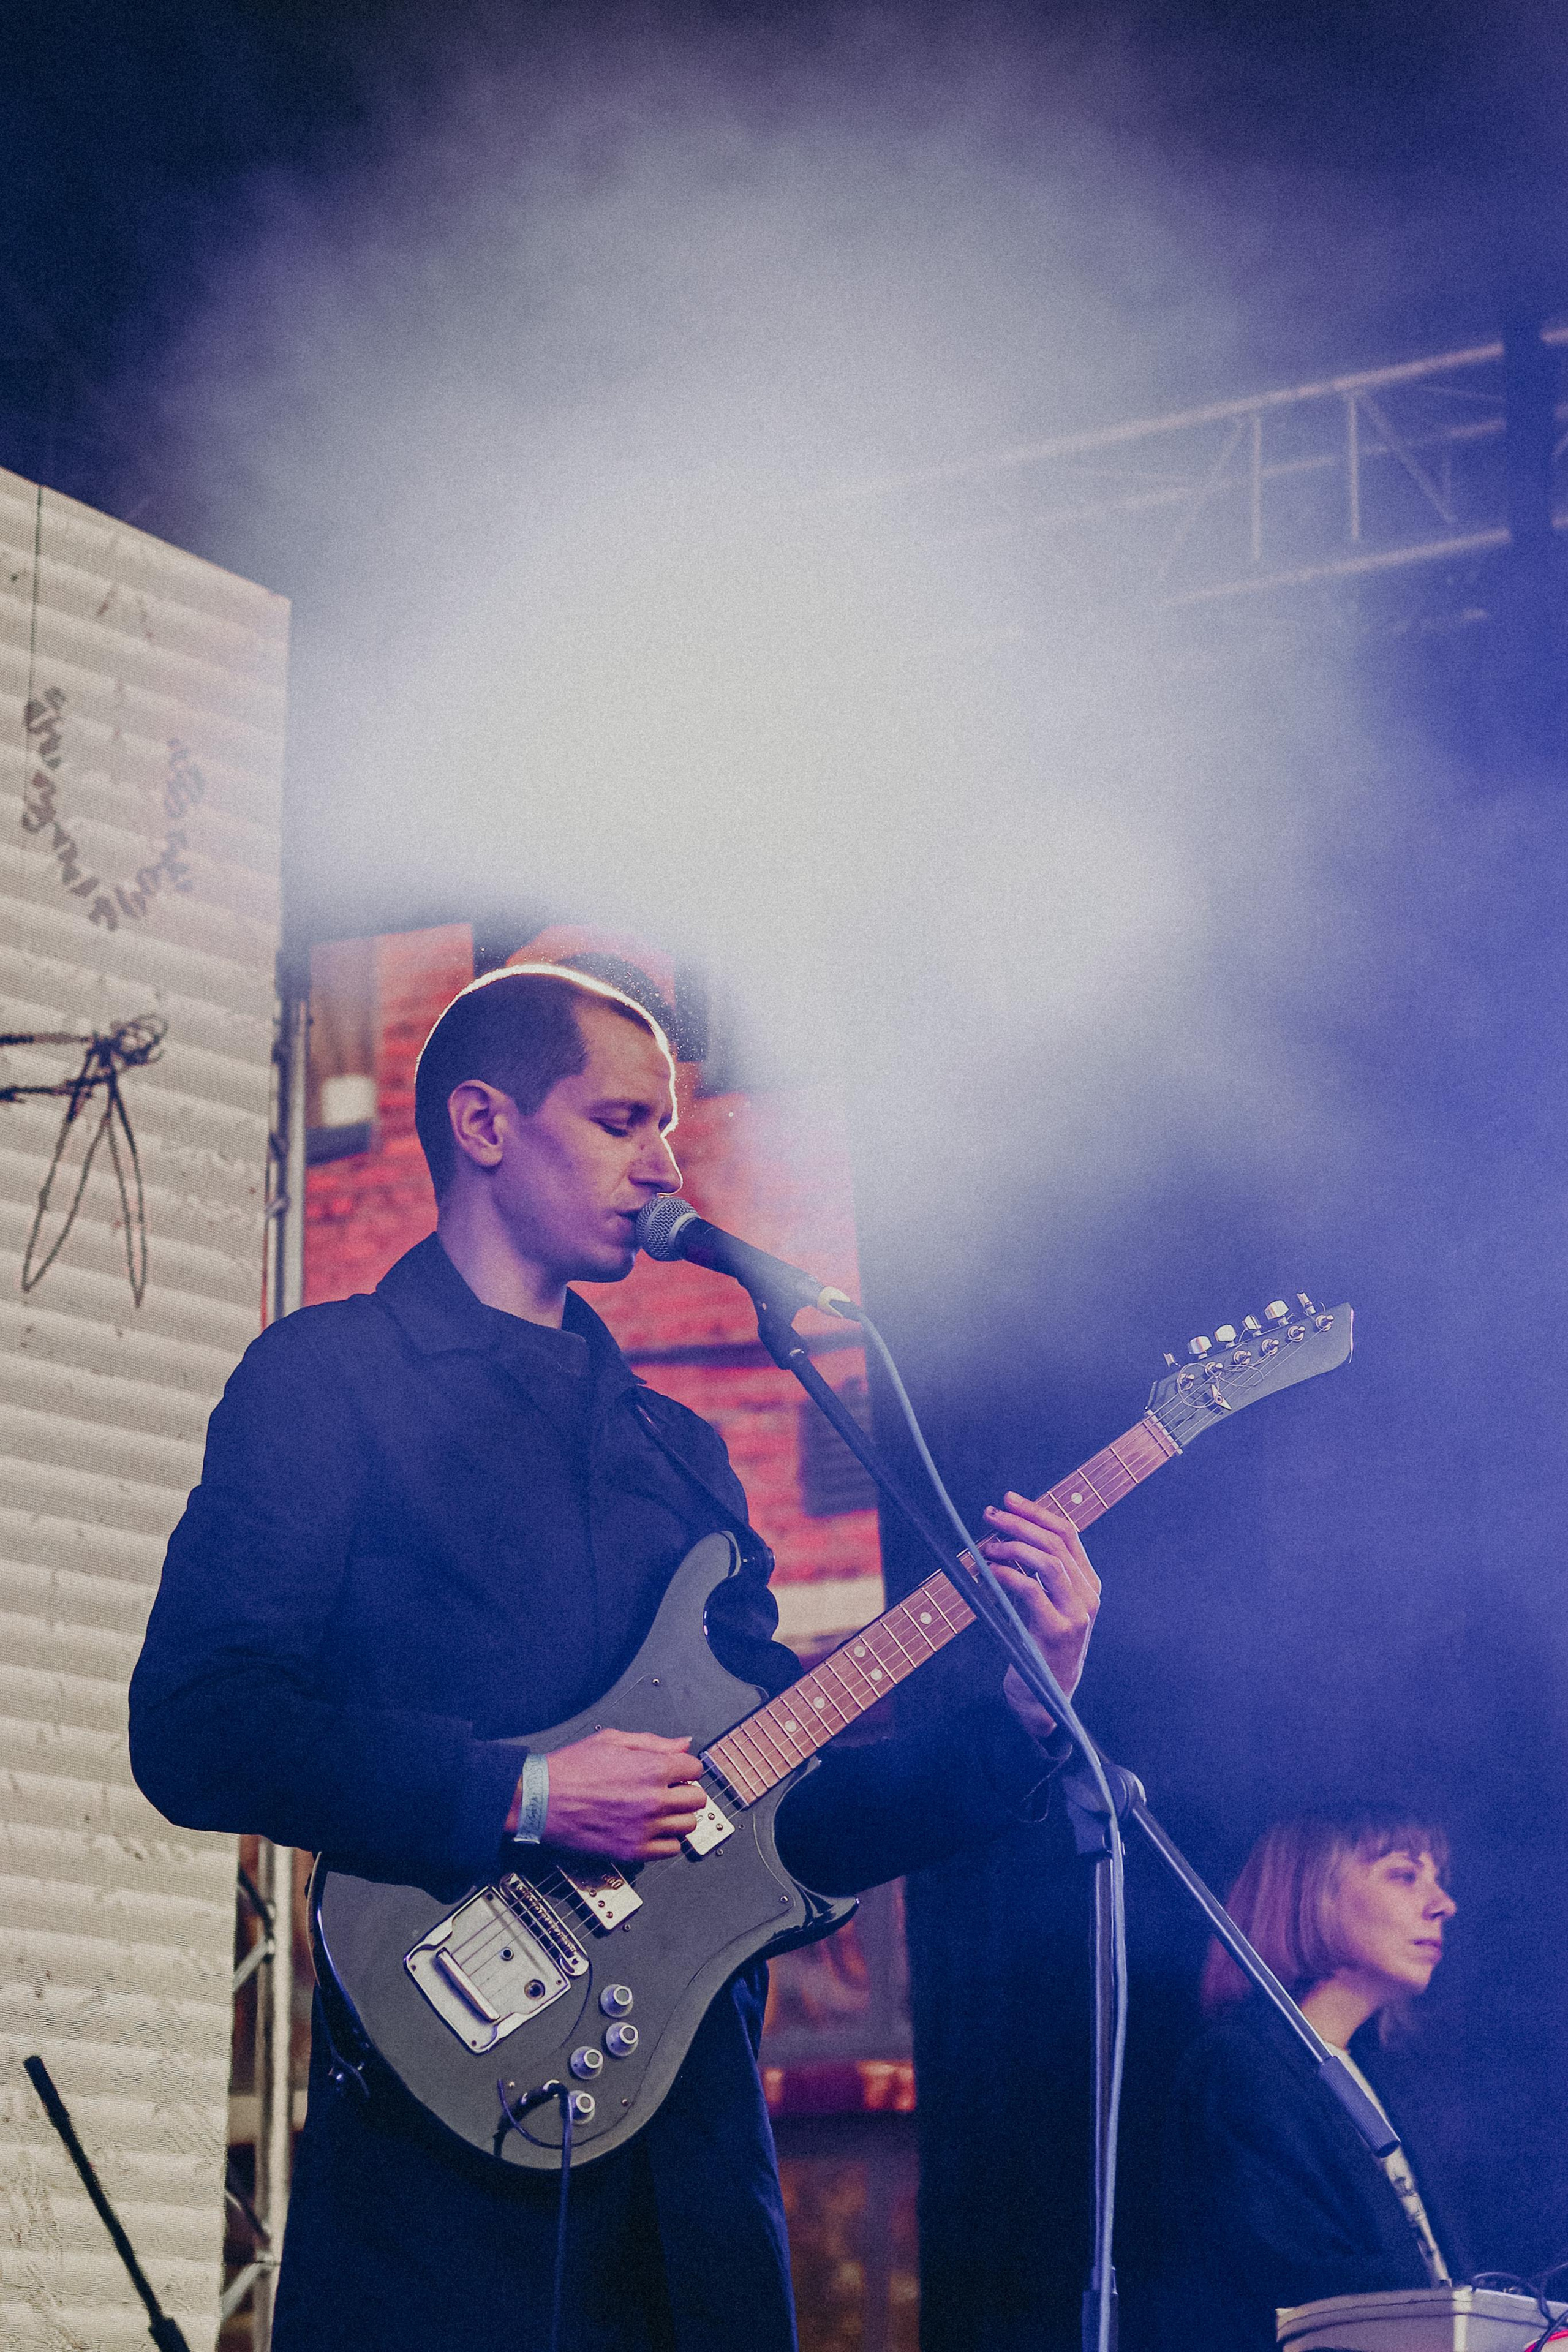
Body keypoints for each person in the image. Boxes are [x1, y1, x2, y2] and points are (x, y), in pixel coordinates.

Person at [129, 963, 1101, 2352]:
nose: (665, 1162)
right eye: (622, 1118)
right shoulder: (325, 1379)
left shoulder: (682, 1455)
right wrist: (520, 1792)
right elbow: (195, 1721)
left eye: (671, 1125)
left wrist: (1017, 1715)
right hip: (441, 2149)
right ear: (482, 1122)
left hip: (685, 2166)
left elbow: (787, 1813)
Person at [1162, 1804, 1463, 2351]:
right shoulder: (1241, 2069)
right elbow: (1295, 2297)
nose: (1444, 1904)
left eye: (1437, 1879)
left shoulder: (1380, 2079)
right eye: (1404, 1874)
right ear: (1313, 1894)